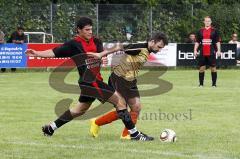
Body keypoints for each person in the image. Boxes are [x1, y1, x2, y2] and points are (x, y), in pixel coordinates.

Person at [25, 17, 153, 141]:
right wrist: (37, 53)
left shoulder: (96, 41)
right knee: (120, 102)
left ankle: (51, 128)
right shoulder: (73, 44)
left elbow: (101, 55)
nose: (90, 32)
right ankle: (134, 134)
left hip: (95, 81)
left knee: (79, 110)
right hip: (90, 82)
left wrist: (103, 58)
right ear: (78, 30)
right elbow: (53, 52)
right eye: (87, 30)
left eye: (91, 29)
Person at [88, 32, 168, 139]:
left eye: (161, 48)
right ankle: (121, 132)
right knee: (122, 109)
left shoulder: (147, 50)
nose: (159, 50)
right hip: (119, 79)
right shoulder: (139, 47)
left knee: (136, 108)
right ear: (152, 42)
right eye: (159, 47)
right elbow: (120, 46)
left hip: (130, 81)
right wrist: (101, 54)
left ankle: (119, 131)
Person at [194, 16, 221, 87]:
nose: (207, 22)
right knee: (201, 68)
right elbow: (197, 42)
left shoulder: (215, 31)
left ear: (211, 22)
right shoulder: (200, 31)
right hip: (202, 52)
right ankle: (201, 84)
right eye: (206, 21)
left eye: (209, 21)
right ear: (204, 22)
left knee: (213, 68)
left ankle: (214, 84)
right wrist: (195, 50)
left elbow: (217, 42)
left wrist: (218, 50)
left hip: (211, 52)